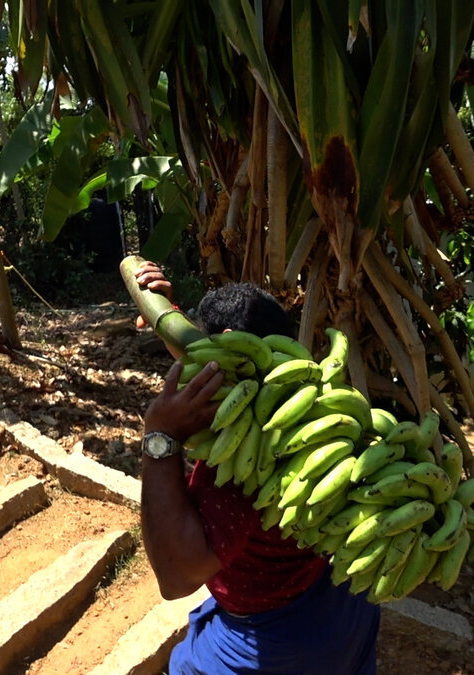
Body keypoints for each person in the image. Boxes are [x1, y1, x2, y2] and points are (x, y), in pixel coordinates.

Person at [134, 261, 380, 674]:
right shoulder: (320, 412)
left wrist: (159, 437)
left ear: (227, 352)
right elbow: (224, 365)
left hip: (279, 639)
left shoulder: (245, 461)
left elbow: (176, 579)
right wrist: (166, 311)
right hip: (345, 604)